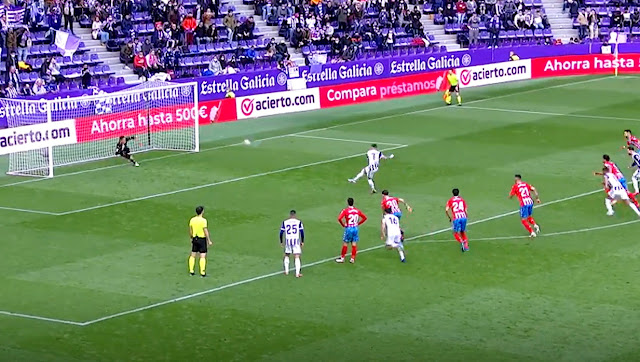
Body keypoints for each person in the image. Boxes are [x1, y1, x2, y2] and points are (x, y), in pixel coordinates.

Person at [336, 197, 367, 264]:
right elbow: (365, 218)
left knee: (345, 243)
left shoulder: (345, 210)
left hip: (349, 228)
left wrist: (343, 225)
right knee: (354, 243)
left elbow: (339, 218)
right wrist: (358, 223)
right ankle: (352, 258)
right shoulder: (357, 210)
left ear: (347, 203)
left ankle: (342, 258)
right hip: (355, 228)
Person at [188, 206, 213, 277]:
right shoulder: (203, 220)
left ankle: (191, 271)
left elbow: (190, 229)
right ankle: (202, 272)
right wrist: (209, 240)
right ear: (202, 211)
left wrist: (191, 237)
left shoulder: (192, 220)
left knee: (193, 254)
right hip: (201, 239)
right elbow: (205, 230)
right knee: (202, 255)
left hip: (194, 238)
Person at [279, 210, 304, 277]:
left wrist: (281, 241)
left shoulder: (285, 222)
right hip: (296, 240)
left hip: (288, 240)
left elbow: (281, 232)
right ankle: (297, 273)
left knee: (287, 254)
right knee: (296, 255)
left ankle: (286, 271)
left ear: (290, 215)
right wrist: (302, 241)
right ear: (295, 215)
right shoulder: (298, 222)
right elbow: (302, 232)